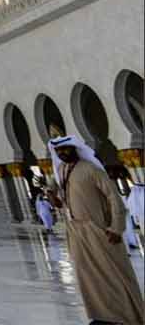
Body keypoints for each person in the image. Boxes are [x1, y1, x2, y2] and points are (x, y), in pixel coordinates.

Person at [47, 135, 145, 324]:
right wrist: (52, 195)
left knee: (113, 273)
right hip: (76, 231)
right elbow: (60, 197)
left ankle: (127, 315)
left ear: (75, 148)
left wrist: (116, 228)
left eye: (66, 149)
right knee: (89, 276)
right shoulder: (62, 171)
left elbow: (114, 199)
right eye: (58, 151)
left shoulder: (91, 169)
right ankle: (103, 316)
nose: (62, 154)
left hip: (98, 229)